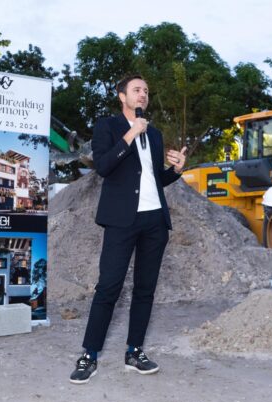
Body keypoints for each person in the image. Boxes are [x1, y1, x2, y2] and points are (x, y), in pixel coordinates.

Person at [69, 74, 187, 384]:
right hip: (121, 220)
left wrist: (175, 171)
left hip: (154, 221)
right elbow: (104, 167)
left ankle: (135, 351)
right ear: (122, 96)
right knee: (108, 287)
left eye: (146, 91)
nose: (143, 95)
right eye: (137, 90)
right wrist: (131, 134)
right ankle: (89, 355)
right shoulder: (108, 127)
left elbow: (155, 179)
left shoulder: (156, 134)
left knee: (145, 290)